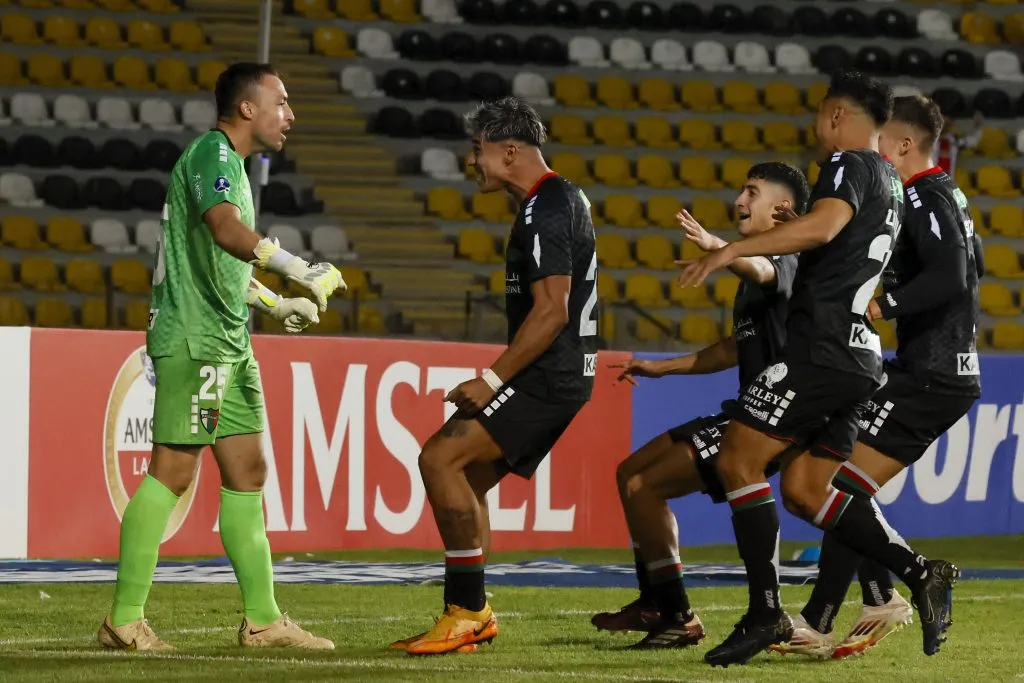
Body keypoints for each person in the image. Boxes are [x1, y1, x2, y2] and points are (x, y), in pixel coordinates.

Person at [677, 70, 958, 667]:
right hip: (860, 357)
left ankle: (764, 612)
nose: (815, 125)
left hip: (822, 349)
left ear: (835, 114)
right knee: (806, 490)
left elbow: (825, 225)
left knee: (737, 459)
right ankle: (919, 571)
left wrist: (732, 248)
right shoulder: (890, 178)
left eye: (818, 113)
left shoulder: (847, 163)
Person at [98, 62, 346, 651]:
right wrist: (293, 266)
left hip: (229, 338)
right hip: (196, 337)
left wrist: (274, 305)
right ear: (246, 109)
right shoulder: (213, 154)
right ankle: (123, 621)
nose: (290, 114)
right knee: (173, 472)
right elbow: (223, 229)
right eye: (281, 102)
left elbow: (225, 262)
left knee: (248, 471)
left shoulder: (230, 165)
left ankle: (263, 620)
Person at [773, 95, 982, 660]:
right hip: (933, 370)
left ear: (904, 144)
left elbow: (954, 275)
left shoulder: (925, 192)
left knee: (838, 486)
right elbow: (964, 262)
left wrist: (888, 305)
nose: (874, 148)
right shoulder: (942, 196)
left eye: (881, 139)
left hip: (932, 373)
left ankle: (828, 618)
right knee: (845, 488)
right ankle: (874, 599)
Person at [389, 96, 599, 656]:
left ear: (510, 151)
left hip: (548, 372)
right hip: (559, 369)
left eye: (477, 150)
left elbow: (552, 310)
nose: (471, 162)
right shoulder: (554, 200)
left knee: (439, 459)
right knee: (466, 480)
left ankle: (468, 611)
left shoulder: (546, 207)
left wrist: (491, 378)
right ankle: (467, 613)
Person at [589, 163, 810, 649]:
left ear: (783, 208)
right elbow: (736, 347)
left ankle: (678, 616)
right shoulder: (753, 275)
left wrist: (720, 249)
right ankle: (655, 603)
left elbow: (763, 268)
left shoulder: (790, 254)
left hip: (770, 422)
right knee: (630, 474)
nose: (739, 199)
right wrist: (662, 367)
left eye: (752, 191)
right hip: (746, 412)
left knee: (646, 485)